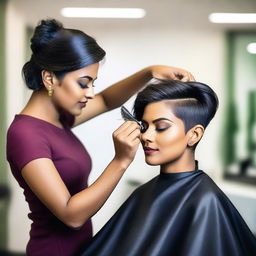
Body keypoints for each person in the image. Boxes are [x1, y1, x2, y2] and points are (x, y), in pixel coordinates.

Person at [6, 18, 194, 256]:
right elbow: (71, 215)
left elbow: (106, 100)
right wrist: (121, 161)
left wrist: (149, 72)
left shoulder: (58, 120)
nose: (91, 93)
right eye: (84, 84)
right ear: (50, 78)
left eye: (93, 83)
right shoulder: (26, 135)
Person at [81, 79, 256, 256]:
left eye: (161, 127)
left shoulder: (204, 201)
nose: (146, 136)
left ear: (194, 135)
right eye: (144, 126)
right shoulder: (142, 193)